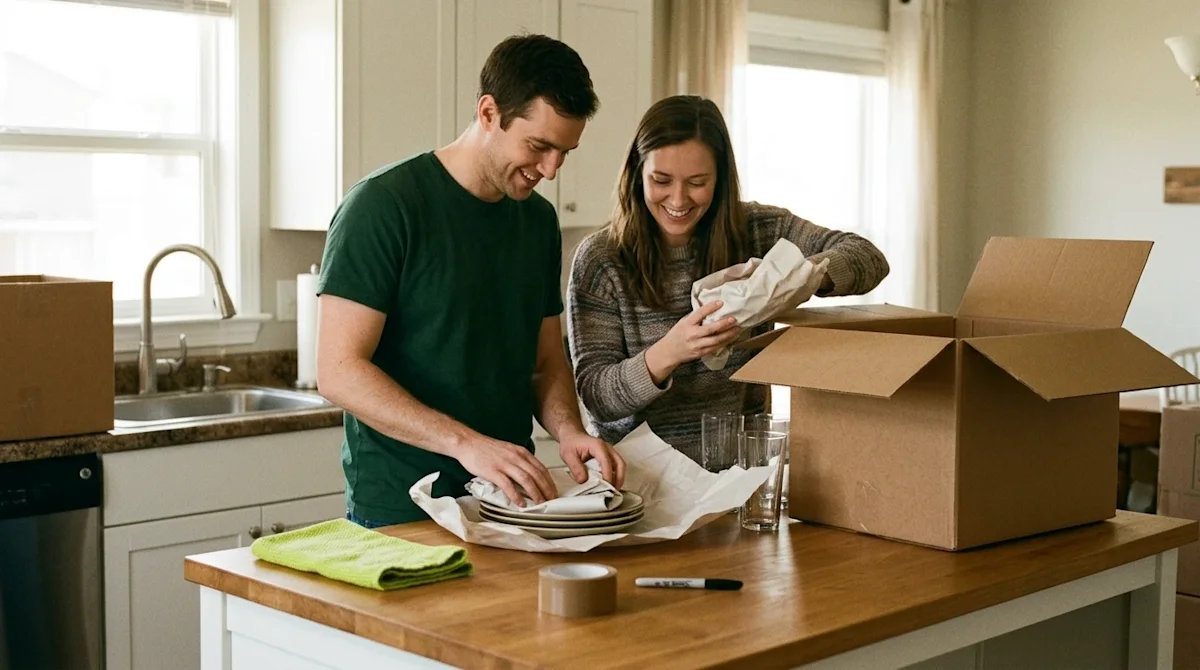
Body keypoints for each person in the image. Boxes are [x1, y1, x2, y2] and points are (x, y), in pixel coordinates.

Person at [316, 34, 625, 528]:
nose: (550, 169)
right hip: (402, 509)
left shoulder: (538, 222)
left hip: (512, 503)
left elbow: (545, 364)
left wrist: (568, 431)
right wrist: (468, 446)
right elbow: (337, 371)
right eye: (538, 146)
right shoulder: (383, 207)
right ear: (488, 113)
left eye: (564, 152)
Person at [567, 95, 890, 464]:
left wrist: (792, 280)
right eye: (661, 180)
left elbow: (868, 257)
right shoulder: (602, 259)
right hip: (638, 483)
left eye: (697, 182)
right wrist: (672, 350)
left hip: (739, 478)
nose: (677, 198)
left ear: (720, 179)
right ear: (637, 172)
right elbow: (597, 397)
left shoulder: (757, 231)